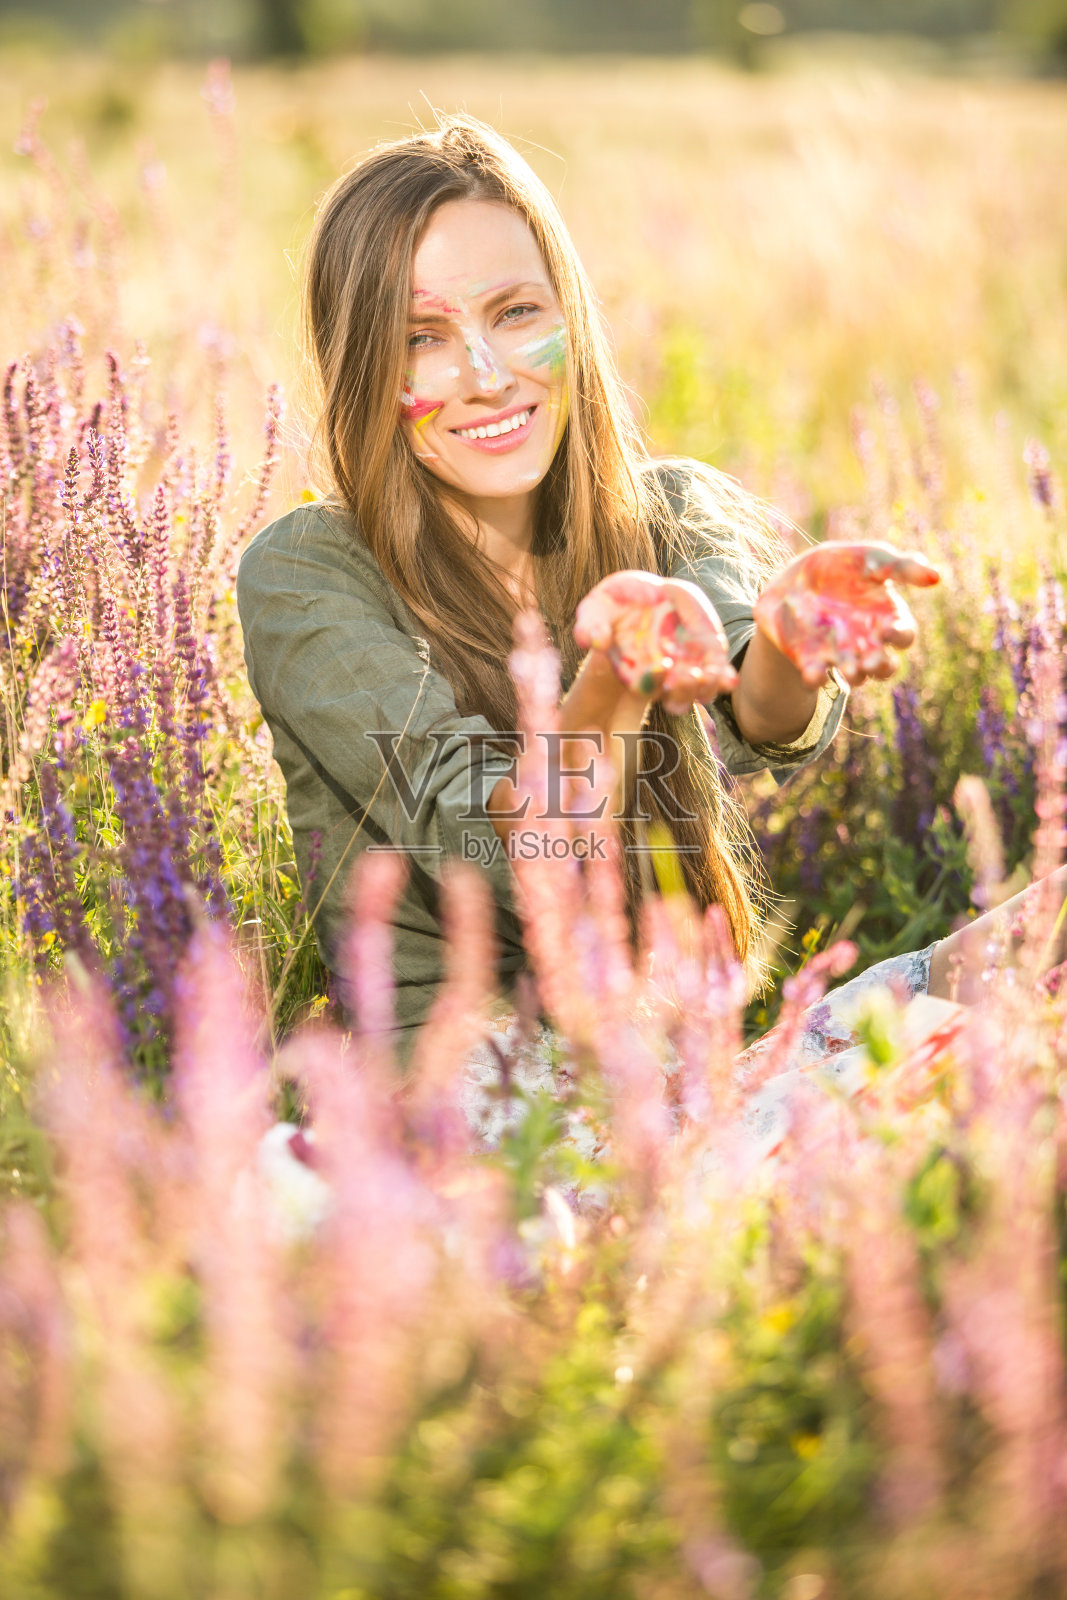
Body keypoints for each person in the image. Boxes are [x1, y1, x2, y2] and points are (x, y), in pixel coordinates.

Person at [236, 115, 943, 1085]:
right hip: (471, 1129)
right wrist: (613, 680)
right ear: (364, 362)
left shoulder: (666, 509)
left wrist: (784, 634)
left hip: (678, 1092)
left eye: (517, 312)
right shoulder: (311, 573)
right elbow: (507, 850)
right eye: (422, 336)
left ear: (567, 314)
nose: (488, 376)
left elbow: (754, 711)